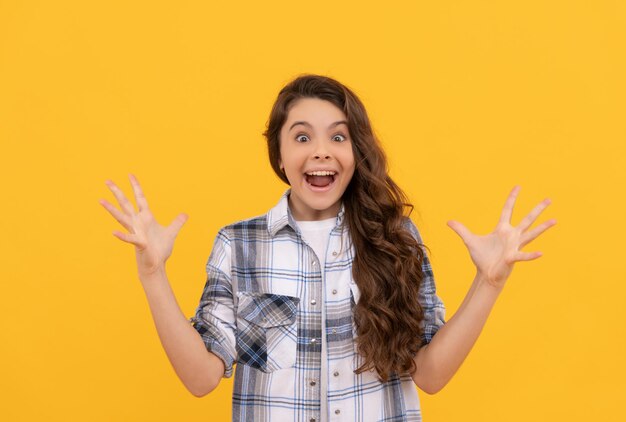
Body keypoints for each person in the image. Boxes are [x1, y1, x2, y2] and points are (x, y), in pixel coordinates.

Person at [99, 74, 556, 421]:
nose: (320, 150)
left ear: (355, 153)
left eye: (338, 137)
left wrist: (489, 281)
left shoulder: (395, 238)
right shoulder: (238, 245)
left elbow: (431, 374)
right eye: (302, 137)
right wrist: (152, 274)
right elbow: (200, 379)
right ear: (279, 156)